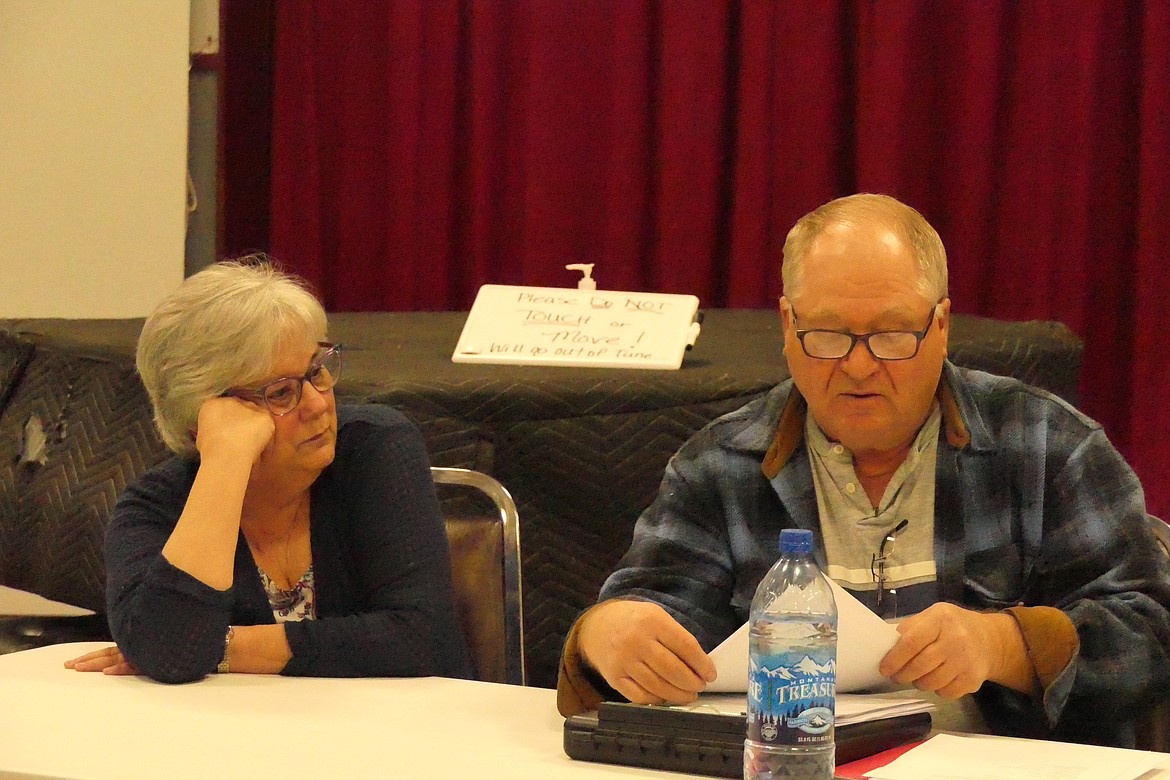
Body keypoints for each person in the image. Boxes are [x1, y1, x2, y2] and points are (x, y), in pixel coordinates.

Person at [556, 194, 1170, 747]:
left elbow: (1150, 637)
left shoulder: (1043, 445)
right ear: (787, 327)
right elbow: (653, 615)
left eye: (892, 334)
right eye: (826, 334)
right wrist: (605, 637)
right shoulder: (722, 463)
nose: (857, 367)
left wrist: (1004, 645)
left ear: (942, 326)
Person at [66, 259, 472, 683]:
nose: (318, 403)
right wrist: (225, 463)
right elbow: (170, 653)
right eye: (281, 392)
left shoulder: (375, 448)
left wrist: (222, 646)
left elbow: (422, 641)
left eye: (317, 370)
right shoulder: (155, 507)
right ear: (204, 419)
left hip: (407, 733)